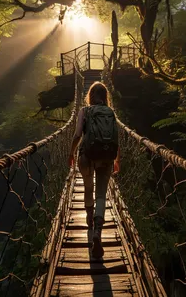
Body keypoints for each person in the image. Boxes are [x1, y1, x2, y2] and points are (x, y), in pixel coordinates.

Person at [68, 81, 120, 259]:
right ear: (105, 97)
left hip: (86, 157)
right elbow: (115, 137)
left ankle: (89, 220)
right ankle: (98, 231)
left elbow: (76, 135)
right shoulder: (111, 113)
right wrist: (116, 160)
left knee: (88, 188)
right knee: (101, 195)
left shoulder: (85, 111)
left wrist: (71, 153)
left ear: (90, 96)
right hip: (106, 158)